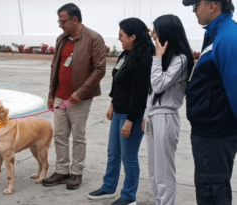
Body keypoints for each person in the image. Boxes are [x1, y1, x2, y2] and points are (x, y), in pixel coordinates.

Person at [87, 18, 155, 205]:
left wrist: (130, 120)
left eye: (121, 35)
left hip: (131, 115)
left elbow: (140, 93)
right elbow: (117, 81)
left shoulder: (145, 58)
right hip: (119, 112)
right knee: (113, 153)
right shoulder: (125, 54)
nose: (119, 39)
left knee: (129, 158)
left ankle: (128, 196)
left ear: (133, 37)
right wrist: (112, 104)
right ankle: (108, 188)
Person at [42, 3, 106, 190]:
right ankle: (62, 170)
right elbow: (56, 67)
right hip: (60, 97)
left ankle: (76, 173)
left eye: (62, 21)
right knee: (60, 136)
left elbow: (100, 69)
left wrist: (81, 92)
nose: (60, 25)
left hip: (79, 99)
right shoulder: (62, 39)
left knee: (78, 137)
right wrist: (52, 94)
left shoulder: (94, 38)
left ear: (75, 19)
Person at [182, 0, 237, 204]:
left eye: (196, 6)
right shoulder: (215, 32)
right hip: (208, 130)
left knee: (212, 190)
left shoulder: (228, 38)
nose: (194, 11)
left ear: (212, 5)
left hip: (216, 133)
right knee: (208, 185)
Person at [143, 15, 194, 205]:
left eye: (155, 31)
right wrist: (146, 114)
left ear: (166, 33)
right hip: (153, 117)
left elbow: (158, 85)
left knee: (164, 170)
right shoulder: (166, 57)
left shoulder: (181, 60)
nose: (153, 35)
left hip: (166, 117)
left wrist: (157, 58)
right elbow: (151, 93)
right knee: (154, 170)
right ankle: (159, 201)